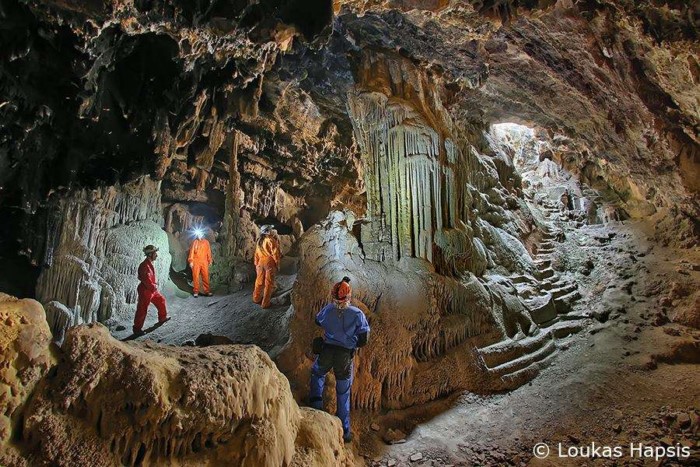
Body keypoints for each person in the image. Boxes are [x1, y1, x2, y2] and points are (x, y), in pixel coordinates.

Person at [309, 277, 370, 443]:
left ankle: (315, 408)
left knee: (317, 373)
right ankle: (345, 431)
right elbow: (363, 339)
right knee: (343, 392)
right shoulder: (357, 314)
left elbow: (317, 320)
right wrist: (350, 343)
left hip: (327, 351)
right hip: (344, 355)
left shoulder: (328, 310)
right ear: (349, 297)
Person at [133, 245, 169, 336]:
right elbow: (146, 279)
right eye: (155, 253)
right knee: (142, 309)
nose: (156, 255)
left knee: (161, 300)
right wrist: (153, 287)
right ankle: (137, 329)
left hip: (151, 290)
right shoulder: (144, 265)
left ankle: (162, 318)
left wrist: (153, 288)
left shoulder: (149, 264)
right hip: (146, 290)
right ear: (150, 254)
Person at [253, 225, 281, 309]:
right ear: (268, 231)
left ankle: (256, 298)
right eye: (271, 230)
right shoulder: (270, 240)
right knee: (268, 283)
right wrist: (277, 264)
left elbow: (256, 254)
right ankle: (265, 303)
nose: (272, 231)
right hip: (269, 262)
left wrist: (256, 263)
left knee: (259, 281)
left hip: (260, 262)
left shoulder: (259, 241)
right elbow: (275, 253)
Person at [188, 230, 213, 298]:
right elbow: (191, 252)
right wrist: (191, 261)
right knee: (195, 276)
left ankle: (207, 291)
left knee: (205, 276)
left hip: (204, 261)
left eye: (200, 234)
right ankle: (196, 291)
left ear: (202, 234)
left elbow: (208, 252)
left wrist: (210, 260)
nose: (199, 236)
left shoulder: (206, 242)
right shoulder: (194, 242)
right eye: (198, 234)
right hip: (196, 262)